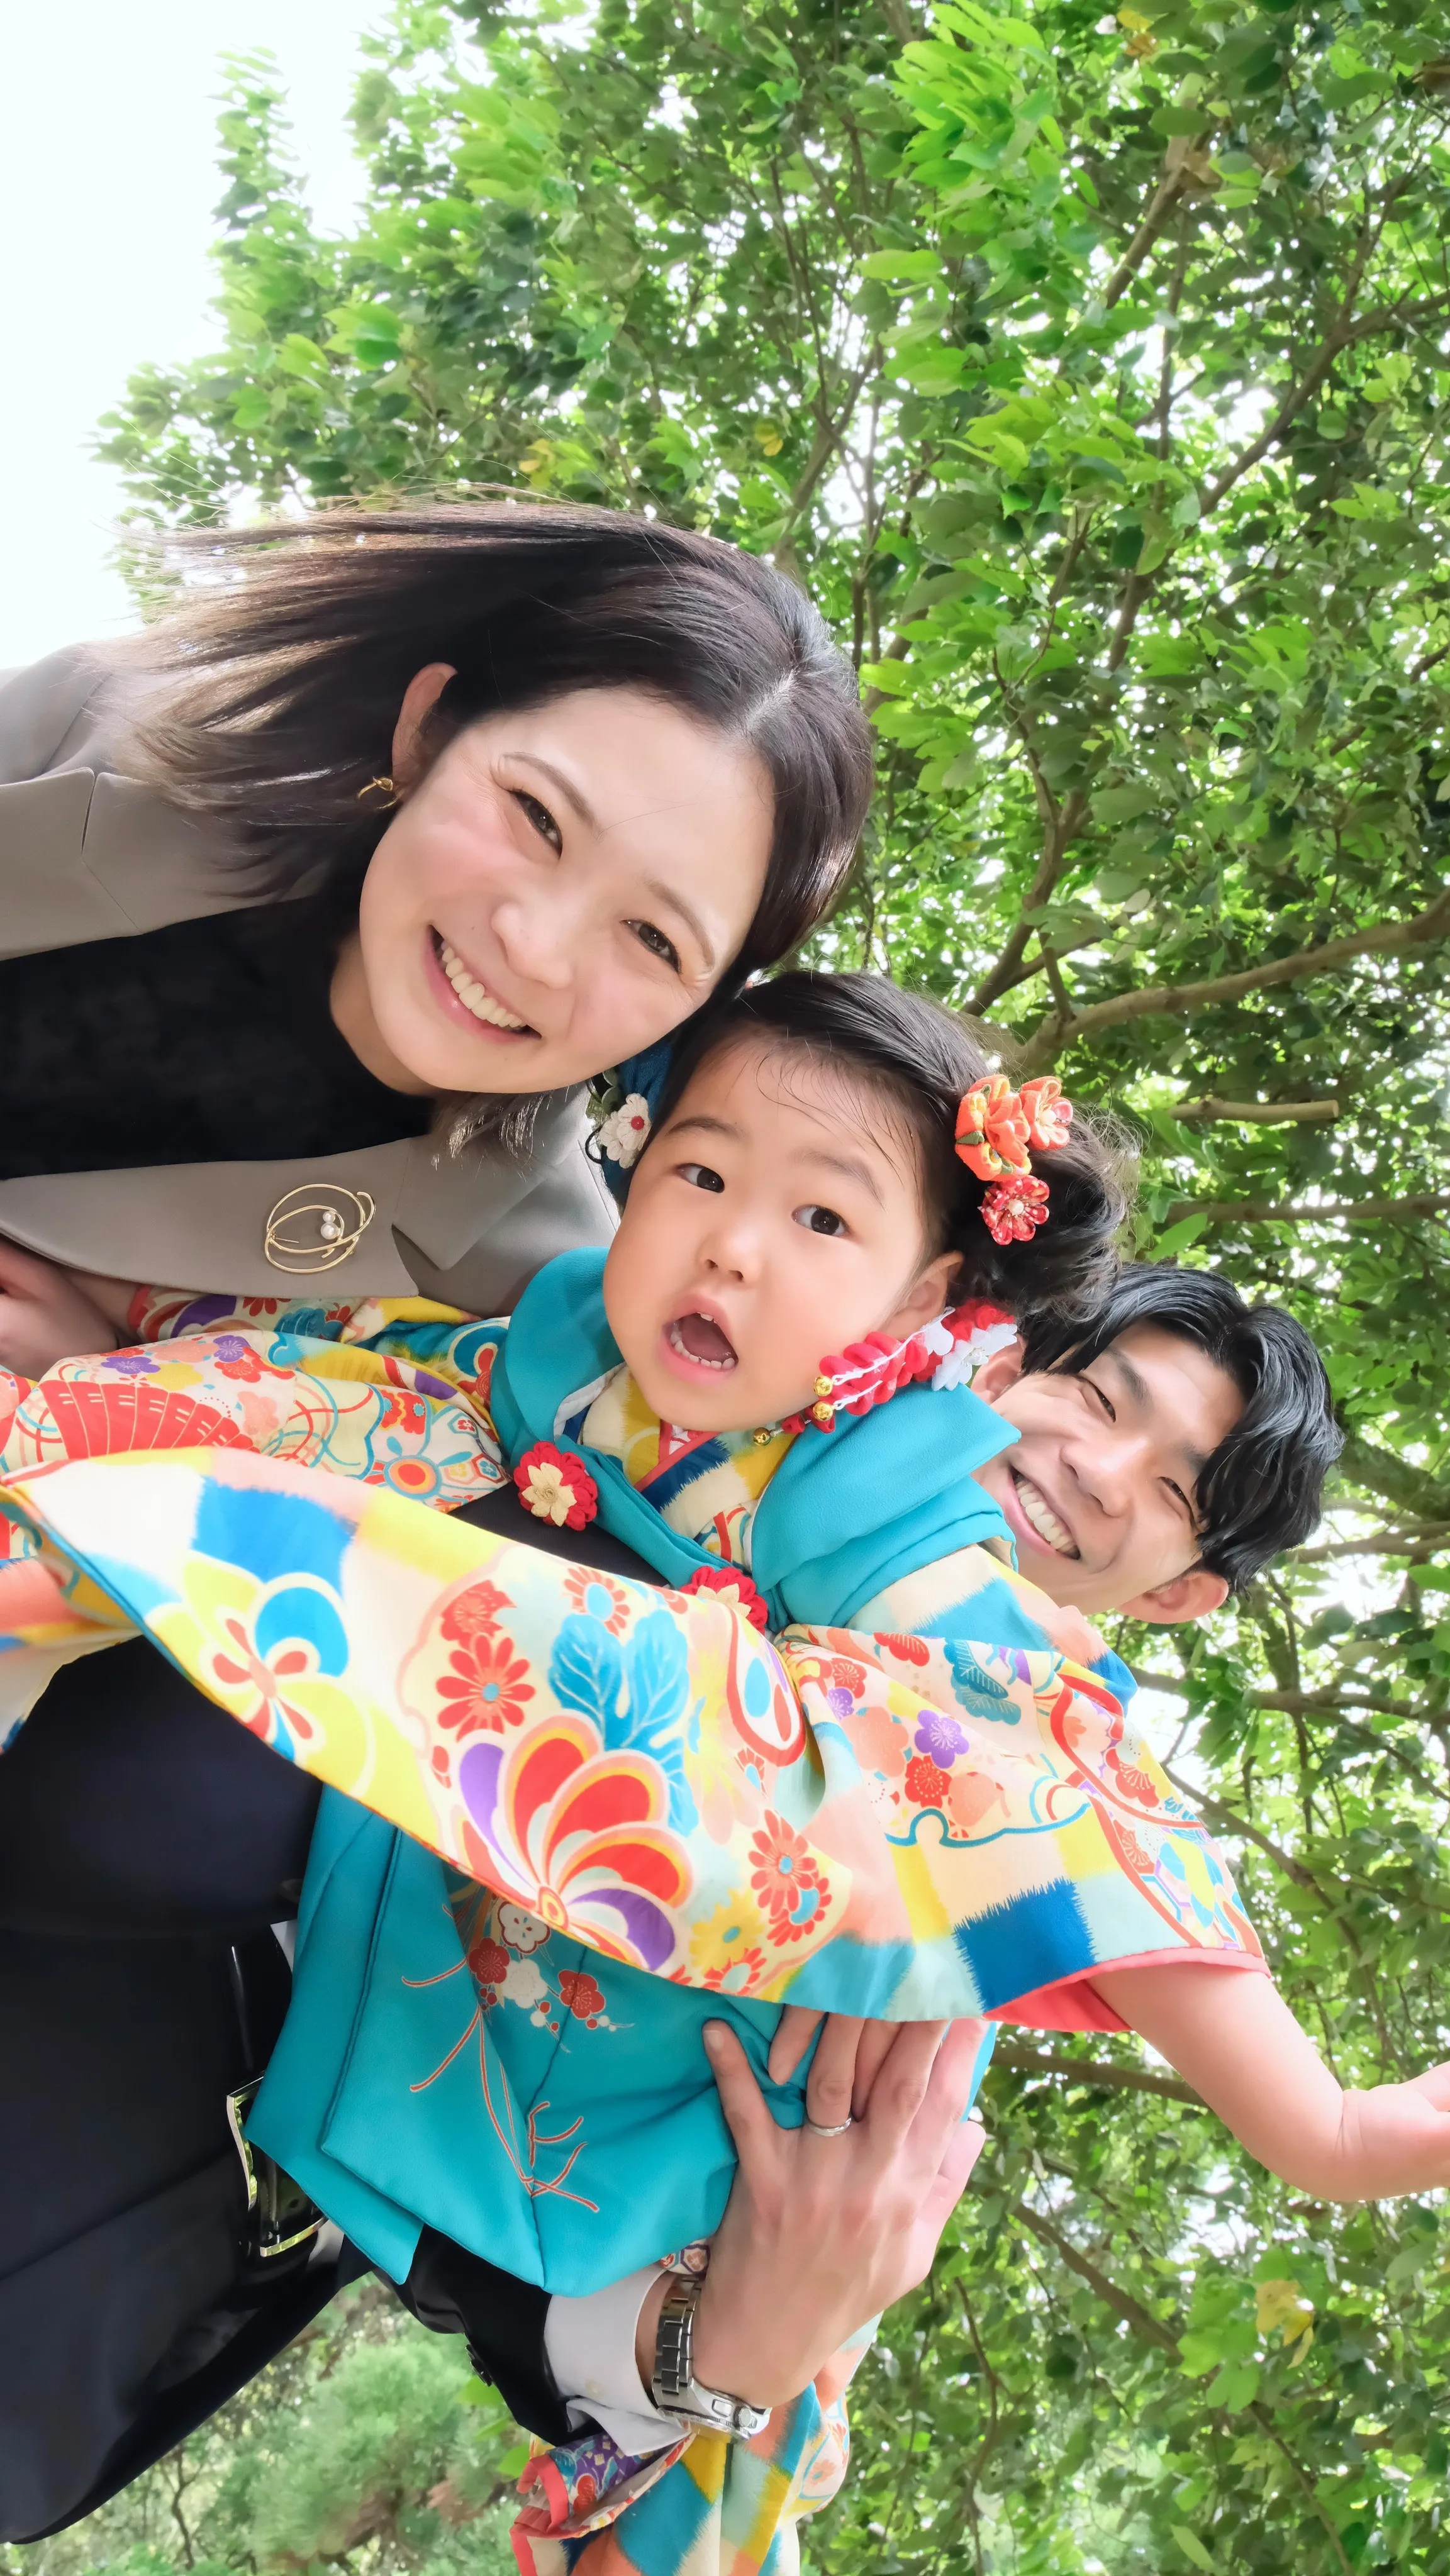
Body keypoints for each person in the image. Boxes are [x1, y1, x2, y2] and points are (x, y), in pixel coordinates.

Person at [9, 978, 1437, 2573]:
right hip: (291, 1982)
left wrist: (1328, 2123)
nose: (1090, 1467)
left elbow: (1076, 1807)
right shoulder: (604, 1362)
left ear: (1180, 1589)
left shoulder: (931, 1620)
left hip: (511, 2156)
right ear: (983, 1347)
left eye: (1168, 1488)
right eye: (1098, 1396)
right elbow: (371, 1380)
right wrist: (134, 1375)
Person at [0, 499, 881, 2543]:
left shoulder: (535, 1281)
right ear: (425, 723)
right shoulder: (121, 742)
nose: (535, 950)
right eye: (534, 817)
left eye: (652, 939)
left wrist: (732, 2359)